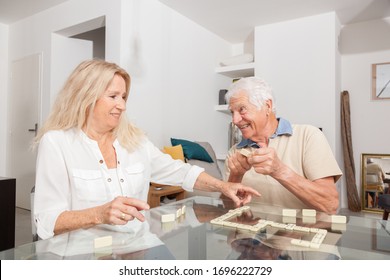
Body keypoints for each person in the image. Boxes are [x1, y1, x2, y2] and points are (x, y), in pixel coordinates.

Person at [33, 59, 260, 240]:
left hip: (138, 247)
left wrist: (224, 186)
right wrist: (99, 214)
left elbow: (181, 172)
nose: (122, 105)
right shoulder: (56, 143)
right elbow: (46, 220)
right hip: (84, 256)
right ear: (85, 97)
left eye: (123, 97)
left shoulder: (135, 140)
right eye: (113, 96)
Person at [224, 77, 342, 214]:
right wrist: (235, 176)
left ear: (267, 106)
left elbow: (330, 204)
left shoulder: (308, 136)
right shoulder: (234, 152)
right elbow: (226, 209)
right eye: (232, 112)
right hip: (251, 234)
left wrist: (279, 171)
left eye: (242, 109)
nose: (235, 120)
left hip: (300, 234)